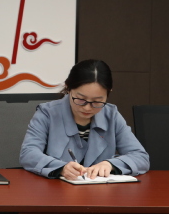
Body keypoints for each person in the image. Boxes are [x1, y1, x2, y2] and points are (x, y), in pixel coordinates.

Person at [20, 59, 149, 179]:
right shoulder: (47, 113)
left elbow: (140, 157)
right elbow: (28, 153)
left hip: (100, 191)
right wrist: (60, 168)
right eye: (81, 99)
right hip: (57, 190)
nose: (87, 108)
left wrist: (110, 165)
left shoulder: (111, 115)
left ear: (108, 92)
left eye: (97, 101)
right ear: (68, 88)